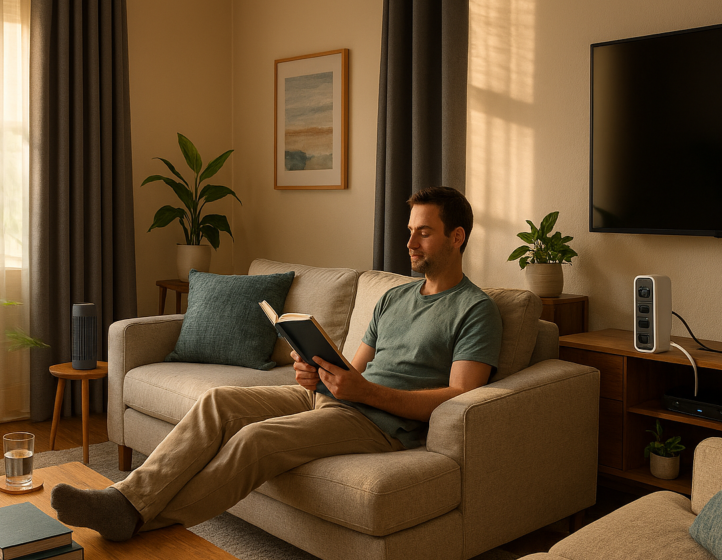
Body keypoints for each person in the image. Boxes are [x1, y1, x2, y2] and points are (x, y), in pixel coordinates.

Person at [51, 186, 503, 541]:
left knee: (257, 439)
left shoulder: (473, 309)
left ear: (456, 237)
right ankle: (126, 498)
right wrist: (318, 371)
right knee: (219, 403)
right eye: (409, 231)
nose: (409, 242)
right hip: (337, 399)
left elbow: (460, 398)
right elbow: (356, 367)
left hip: (383, 426)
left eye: (423, 232)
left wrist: (362, 392)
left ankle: (139, 521)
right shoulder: (396, 295)